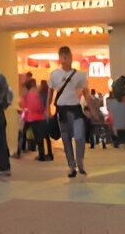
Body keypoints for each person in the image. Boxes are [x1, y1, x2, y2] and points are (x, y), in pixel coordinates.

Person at [50, 45, 90, 178]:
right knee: (66, 138)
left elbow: (85, 91)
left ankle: (80, 162)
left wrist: (90, 107)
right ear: (60, 58)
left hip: (75, 109)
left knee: (79, 136)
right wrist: (47, 107)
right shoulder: (55, 74)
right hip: (62, 109)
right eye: (64, 57)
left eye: (68, 56)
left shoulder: (79, 75)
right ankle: (71, 166)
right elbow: (51, 91)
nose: (66, 59)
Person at [20, 77, 50, 161]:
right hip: (40, 117)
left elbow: (24, 106)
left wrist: (23, 116)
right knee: (40, 138)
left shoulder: (27, 95)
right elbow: (40, 106)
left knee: (22, 134)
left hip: (29, 118)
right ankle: (42, 155)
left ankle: (19, 151)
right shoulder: (38, 94)